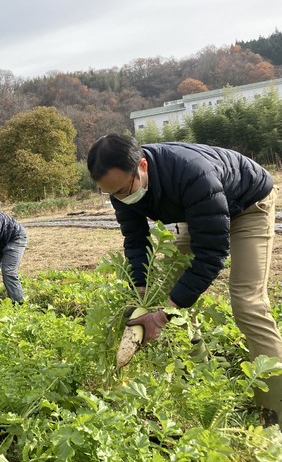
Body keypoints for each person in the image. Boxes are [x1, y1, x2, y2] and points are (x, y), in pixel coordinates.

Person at [87, 133, 282, 428]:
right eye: (111, 194)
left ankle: (274, 414)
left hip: (248, 205)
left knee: (248, 303)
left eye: (124, 190)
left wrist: (166, 313)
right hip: (198, 211)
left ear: (142, 166)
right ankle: (203, 379)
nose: (121, 199)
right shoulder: (121, 188)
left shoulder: (192, 172)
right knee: (169, 291)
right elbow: (136, 240)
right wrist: (142, 290)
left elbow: (212, 252)